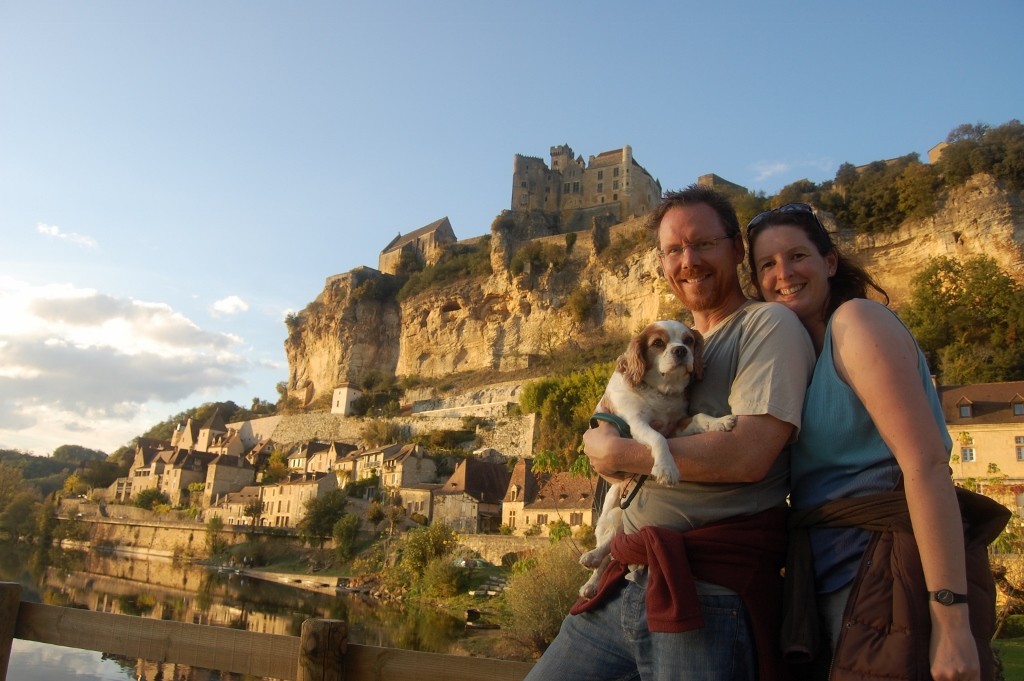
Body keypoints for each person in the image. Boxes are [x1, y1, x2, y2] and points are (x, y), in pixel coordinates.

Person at [524, 185, 815, 681]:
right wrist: (602, 432)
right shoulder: (674, 343)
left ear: (736, 249)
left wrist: (618, 451)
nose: (689, 261)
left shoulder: (767, 326)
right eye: (674, 250)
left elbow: (748, 454)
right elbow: (608, 412)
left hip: (706, 594)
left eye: (703, 244)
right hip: (627, 578)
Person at [745, 203, 1007, 681]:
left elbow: (926, 466)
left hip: (888, 574)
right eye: (767, 264)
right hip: (829, 583)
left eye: (797, 255)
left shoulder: (857, 323)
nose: (783, 274)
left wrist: (951, 622)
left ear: (829, 262)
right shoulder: (800, 359)